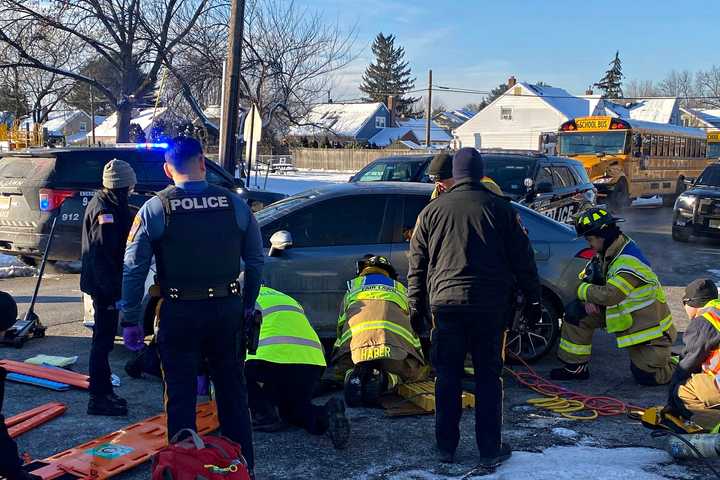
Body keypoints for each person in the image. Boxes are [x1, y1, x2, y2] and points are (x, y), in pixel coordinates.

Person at [121, 137, 264, 472]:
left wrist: (130, 318)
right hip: (226, 310)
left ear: (168, 169)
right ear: (203, 162)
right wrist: (247, 303)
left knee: (181, 396)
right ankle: (242, 468)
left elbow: (133, 266)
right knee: (232, 393)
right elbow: (256, 261)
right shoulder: (235, 204)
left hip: (178, 312)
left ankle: (185, 469)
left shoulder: (157, 207)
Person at [408, 147, 541, 466]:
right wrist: (533, 301)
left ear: (454, 174)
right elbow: (524, 261)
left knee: (447, 378)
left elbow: (417, 266)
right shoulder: (502, 210)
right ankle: (489, 449)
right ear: (482, 174)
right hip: (490, 309)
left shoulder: (430, 213)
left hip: (446, 306)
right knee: (488, 379)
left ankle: (445, 447)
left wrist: (416, 308)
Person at [551, 207, 676, 385]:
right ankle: (576, 367)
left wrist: (583, 292)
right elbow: (588, 277)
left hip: (649, 331)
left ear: (602, 236)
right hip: (627, 319)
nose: (589, 245)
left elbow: (611, 296)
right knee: (576, 313)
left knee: (647, 377)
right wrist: (588, 298)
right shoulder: (608, 250)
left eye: (590, 240)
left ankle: (682, 364)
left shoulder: (627, 260)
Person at [245, 286, 350, 449]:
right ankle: (326, 415)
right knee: (294, 410)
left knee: (231, 372)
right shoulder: (286, 298)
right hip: (312, 360)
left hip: (272, 356)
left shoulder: (242, 298)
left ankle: (264, 416)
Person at [80, 159, 136, 416]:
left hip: (105, 284)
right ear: (123, 186)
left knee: (103, 342)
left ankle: (103, 391)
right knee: (102, 342)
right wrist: (111, 292)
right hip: (104, 287)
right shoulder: (105, 211)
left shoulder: (110, 204)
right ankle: (99, 397)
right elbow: (101, 254)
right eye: (131, 186)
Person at [666, 279, 720, 430]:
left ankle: (711, 426)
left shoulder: (704, 321)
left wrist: (672, 402)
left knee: (683, 392)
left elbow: (688, 364)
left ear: (693, 303)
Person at [428, 152, 503, 199]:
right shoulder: (438, 191)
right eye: (434, 181)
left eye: (441, 180)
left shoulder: (487, 186)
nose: (437, 184)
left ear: (455, 175)